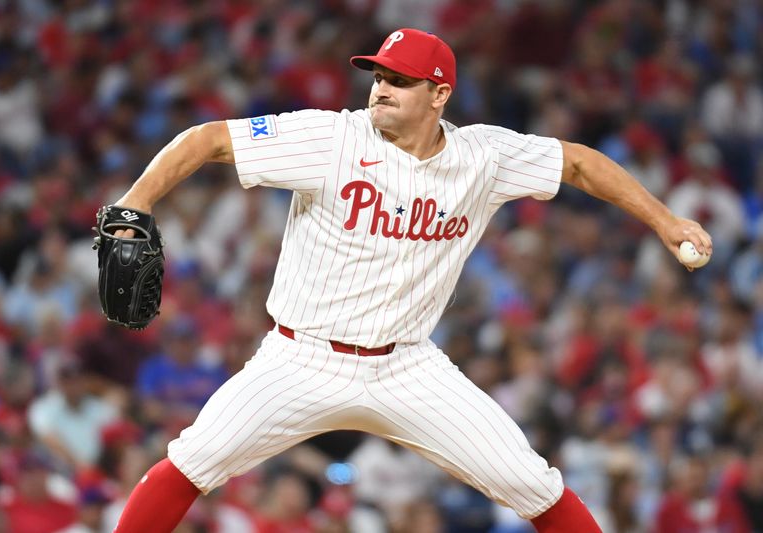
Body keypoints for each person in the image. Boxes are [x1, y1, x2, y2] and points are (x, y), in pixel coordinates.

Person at [107, 29, 712, 532]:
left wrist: (665, 220)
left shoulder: (483, 157)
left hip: (407, 367)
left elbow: (578, 161)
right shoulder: (332, 138)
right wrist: (136, 202)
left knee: (532, 483)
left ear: (439, 94)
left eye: (399, 80)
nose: (381, 89)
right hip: (299, 359)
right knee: (191, 462)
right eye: (378, 77)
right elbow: (210, 139)